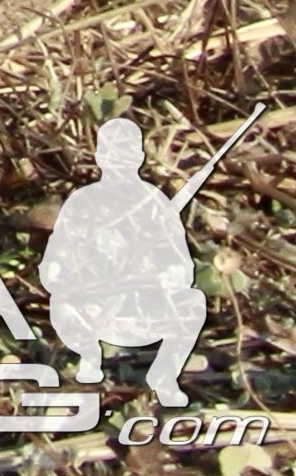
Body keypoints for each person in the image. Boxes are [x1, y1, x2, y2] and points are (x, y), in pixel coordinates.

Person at [43, 116, 209, 406]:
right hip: (94, 307)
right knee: (62, 305)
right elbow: (53, 262)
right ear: (99, 157)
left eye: (127, 156)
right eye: (112, 156)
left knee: (193, 303)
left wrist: (170, 275)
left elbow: (183, 265)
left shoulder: (155, 203)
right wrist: (62, 275)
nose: (119, 164)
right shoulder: (82, 202)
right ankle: (88, 359)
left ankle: (164, 375)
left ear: (140, 158)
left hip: (144, 307)